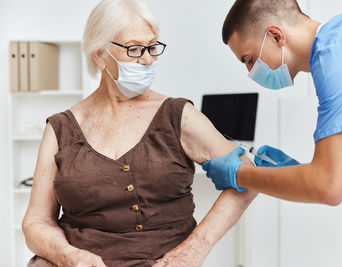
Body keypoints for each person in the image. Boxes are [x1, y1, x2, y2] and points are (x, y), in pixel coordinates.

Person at [22, 0, 257, 266]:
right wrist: (69, 256)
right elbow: (36, 221)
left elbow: (250, 177)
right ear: (99, 55)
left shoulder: (178, 116)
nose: (147, 59)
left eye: (152, 47)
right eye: (134, 49)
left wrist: (194, 249)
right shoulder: (60, 128)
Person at [203, 0, 342, 205]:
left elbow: (329, 188)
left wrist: (240, 175)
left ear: (276, 35)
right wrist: (303, 173)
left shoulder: (337, 56)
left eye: (250, 60)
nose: (251, 72)